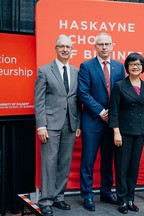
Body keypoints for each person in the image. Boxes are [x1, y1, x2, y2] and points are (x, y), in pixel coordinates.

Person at [77, 32, 125, 211]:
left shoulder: (120, 67)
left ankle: (106, 192)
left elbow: (122, 93)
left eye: (107, 44)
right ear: (95, 47)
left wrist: (111, 115)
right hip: (92, 121)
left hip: (112, 122)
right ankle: (87, 195)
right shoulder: (86, 66)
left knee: (108, 159)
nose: (104, 47)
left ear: (112, 46)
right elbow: (83, 93)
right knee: (88, 160)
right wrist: (100, 112)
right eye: (101, 44)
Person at [34, 34, 81, 216]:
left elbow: (77, 100)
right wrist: (41, 126)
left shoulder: (76, 71)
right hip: (50, 125)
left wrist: (78, 123)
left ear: (71, 49)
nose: (65, 49)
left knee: (64, 163)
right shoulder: (44, 71)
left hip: (70, 124)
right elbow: (39, 101)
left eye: (68, 47)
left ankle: (59, 197)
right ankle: (45, 200)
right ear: (56, 48)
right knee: (49, 163)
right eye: (61, 46)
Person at [109, 53, 144, 214]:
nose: (136, 67)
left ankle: (130, 199)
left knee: (134, 168)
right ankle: (122, 200)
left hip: (140, 133)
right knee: (122, 168)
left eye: (139, 64)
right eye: (132, 64)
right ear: (127, 67)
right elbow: (113, 111)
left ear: (142, 67)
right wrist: (116, 132)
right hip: (123, 133)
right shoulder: (119, 85)